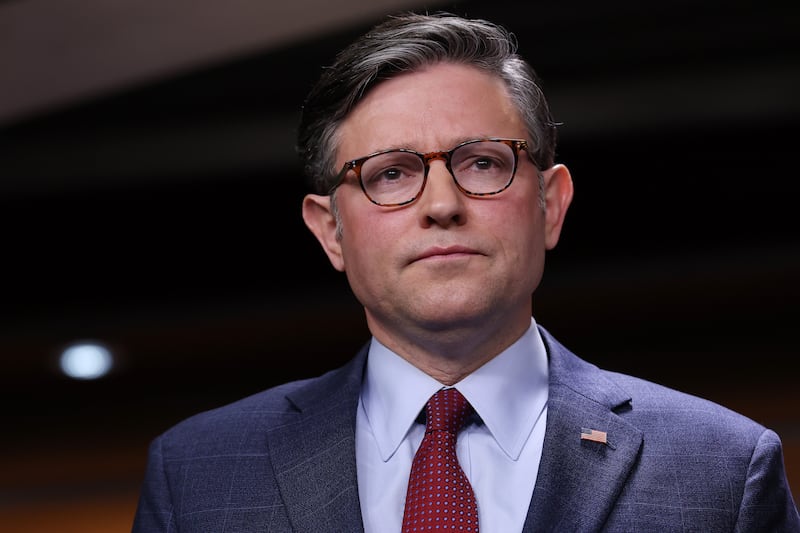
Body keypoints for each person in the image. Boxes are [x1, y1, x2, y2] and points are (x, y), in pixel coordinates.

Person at [132, 12, 799, 532]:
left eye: (482, 162)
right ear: (330, 230)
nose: (442, 205)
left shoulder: (722, 472)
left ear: (550, 204)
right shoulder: (196, 474)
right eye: (391, 174)